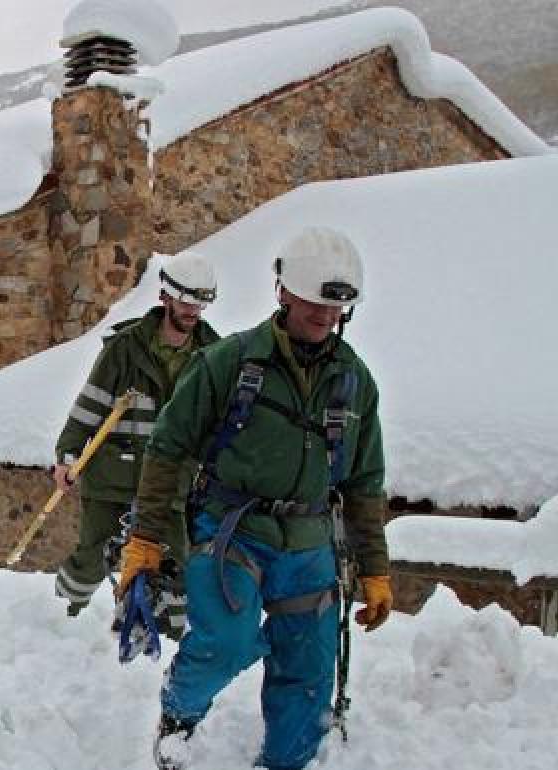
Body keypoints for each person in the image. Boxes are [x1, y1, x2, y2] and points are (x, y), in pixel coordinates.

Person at [117, 227, 393, 770]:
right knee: (229, 641)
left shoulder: (354, 381)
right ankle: (178, 714)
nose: (324, 315)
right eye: (313, 300)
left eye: (336, 306)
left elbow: (363, 483)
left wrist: (376, 570)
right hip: (231, 531)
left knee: (308, 673)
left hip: (310, 546)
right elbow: (169, 448)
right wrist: (146, 540)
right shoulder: (229, 363)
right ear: (284, 292)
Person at [53, 251, 219, 617]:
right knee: (93, 557)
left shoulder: (212, 355)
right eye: (187, 300)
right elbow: (89, 408)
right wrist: (67, 456)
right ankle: (62, 617)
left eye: (201, 302)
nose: (193, 310)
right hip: (113, 475)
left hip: (169, 484)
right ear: (166, 297)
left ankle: (169, 639)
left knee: (174, 565)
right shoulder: (125, 349)